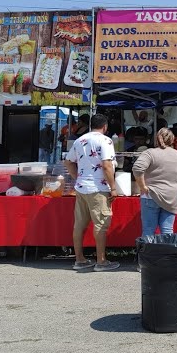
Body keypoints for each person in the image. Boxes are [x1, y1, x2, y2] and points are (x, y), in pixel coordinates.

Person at [64, 113, 121, 272]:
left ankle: (79, 259)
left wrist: (78, 177)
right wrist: (113, 188)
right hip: (98, 188)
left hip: (82, 187)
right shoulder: (105, 140)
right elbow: (107, 166)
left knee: (79, 225)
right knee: (101, 225)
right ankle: (101, 261)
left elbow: (68, 162)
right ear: (105, 127)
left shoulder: (79, 140)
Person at [132, 127, 177, 238]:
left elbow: (137, 168)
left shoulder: (150, 153)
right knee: (167, 229)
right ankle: (166, 254)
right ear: (172, 140)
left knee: (148, 230)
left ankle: (148, 255)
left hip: (151, 194)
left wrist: (142, 186)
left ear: (156, 139)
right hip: (172, 196)